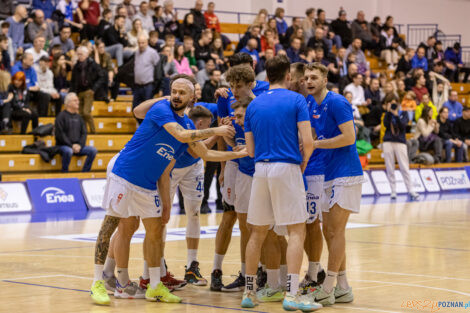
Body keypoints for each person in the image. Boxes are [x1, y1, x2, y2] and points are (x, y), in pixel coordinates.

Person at [89, 75, 244, 306]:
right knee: (113, 226)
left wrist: (239, 154)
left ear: (192, 97)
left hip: (148, 183)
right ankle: (98, 282)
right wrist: (218, 131)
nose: (177, 96)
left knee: (155, 230)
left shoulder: (189, 124)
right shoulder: (161, 109)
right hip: (125, 175)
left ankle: (154, 286)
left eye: (182, 93)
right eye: (174, 91)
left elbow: (205, 154)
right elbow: (180, 135)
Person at [239, 54, 317, 311]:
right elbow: (307, 142)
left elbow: (249, 150)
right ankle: (292, 295)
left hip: (260, 169)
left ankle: (249, 293)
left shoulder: (253, 105)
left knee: (257, 233)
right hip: (287, 167)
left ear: (265, 75)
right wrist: (302, 164)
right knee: (296, 231)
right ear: (288, 76)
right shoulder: (297, 99)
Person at [303, 62, 363, 306]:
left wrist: (316, 145)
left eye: (314, 77)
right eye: (306, 77)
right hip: (328, 172)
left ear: (325, 79)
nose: (308, 81)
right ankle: (344, 286)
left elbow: (350, 137)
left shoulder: (337, 102)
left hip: (346, 172)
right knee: (329, 232)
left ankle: (328, 286)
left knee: (335, 231)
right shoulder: (309, 103)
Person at [210, 53, 269, 293]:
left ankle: (268, 272)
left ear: (253, 69)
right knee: (232, 216)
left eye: (241, 74)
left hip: (263, 162)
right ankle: (226, 271)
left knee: (266, 224)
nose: (236, 83)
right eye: (232, 77)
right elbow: (225, 131)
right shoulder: (225, 96)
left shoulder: (266, 91)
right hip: (238, 163)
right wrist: (224, 167)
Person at [381, 94, 420, 200]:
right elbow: (386, 125)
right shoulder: (387, 114)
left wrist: (396, 115)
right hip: (388, 141)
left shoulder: (404, 113)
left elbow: (403, 126)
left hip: (400, 142)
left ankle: (411, 189)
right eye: (390, 102)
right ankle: (393, 190)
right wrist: (389, 113)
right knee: (390, 167)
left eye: (394, 102)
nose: (393, 104)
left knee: (404, 166)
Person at [55, 92, 97, 172]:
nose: (78, 102)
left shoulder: (79, 117)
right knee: (68, 151)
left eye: (77, 100)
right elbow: (60, 134)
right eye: (75, 100)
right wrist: (71, 145)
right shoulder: (61, 116)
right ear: (68, 103)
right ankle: (64, 173)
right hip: (63, 146)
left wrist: (80, 145)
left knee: (93, 150)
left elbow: (84, 133)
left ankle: (84, 173)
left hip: (78, 146)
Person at [70, 46, 106, 133]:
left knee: (86, 112)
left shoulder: (93, 64)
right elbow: (73, 81)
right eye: (78, 54)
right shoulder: (76, 66)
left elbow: (101, 76)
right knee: (81, 114)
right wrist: (73, 92)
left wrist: (94, 89)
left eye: (81, 54)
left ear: (86, 54)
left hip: (88, 91)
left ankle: (93, 131)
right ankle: (84, 132)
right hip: (79, 92)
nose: (79, 56)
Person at [11, 52, 51, 117]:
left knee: (45, 96)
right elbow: (17, 84)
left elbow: (35, 83)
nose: (33, 62)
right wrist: (28, 88)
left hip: (31, 90)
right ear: (24, 60)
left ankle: (42, 118)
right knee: (27, 93)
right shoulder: (16, 68)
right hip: (20, 91)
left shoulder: (32, 69)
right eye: (31, 60)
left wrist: (36, 87)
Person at [132, 35, 160, 122]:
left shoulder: (152, 53)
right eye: (139, 43)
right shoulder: (136, 53)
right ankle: (142, 126)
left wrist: (157, 85)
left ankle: (147, 129)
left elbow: (158, 68)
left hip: (148, 85)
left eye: (143, 43)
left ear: (147, 42)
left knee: (148, 109)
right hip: (137, 86)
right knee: (135, 108)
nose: (141, 45)